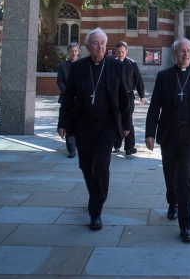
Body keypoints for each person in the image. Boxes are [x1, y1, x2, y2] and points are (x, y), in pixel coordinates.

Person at [58, 28, 130, 231]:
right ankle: (95, 195)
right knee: (85, 165)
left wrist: (125, 125)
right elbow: (68, 97)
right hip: (83, 124)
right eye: (96, 43)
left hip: (107, 125)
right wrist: (62, 122)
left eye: (104, 43)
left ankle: (95, 211)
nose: (101, 47)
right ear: (88, 46)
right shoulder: (79, 67)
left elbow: (124, 99)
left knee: (101, 164)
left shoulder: (116, 66)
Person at [145, 38, 190, 243]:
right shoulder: (164, 76)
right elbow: (154, 106)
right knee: (170, 174)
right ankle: (172, 202)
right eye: (182, 51)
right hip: (169, 132)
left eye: (189, 51)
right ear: (175, 53)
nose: (186, 54)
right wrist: (150, 132)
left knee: (186, 177)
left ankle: (186, 225)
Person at [113, 41, 146, 156]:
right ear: (116, 52)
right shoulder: (112, 64)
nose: (121, 54)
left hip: (128, 95)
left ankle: (129, 146)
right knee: (116, 119)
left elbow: (138, 80)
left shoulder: (132, 64)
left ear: (126, 51)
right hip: (116, 96)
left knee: (128, 120)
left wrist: (141, 95)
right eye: (118, 52)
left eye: (123, 52)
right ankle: (116, 145)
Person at [56, 42, 80, 158]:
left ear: (78, 52)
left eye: (75, 51)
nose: (73, 53)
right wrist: (67, 92)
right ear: (68, 52)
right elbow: (59, 81)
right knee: (68, 123)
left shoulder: (83, 65)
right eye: (71, 51)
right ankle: (71, 149)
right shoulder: (62, 66)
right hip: (67, 99)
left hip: (80, 99)